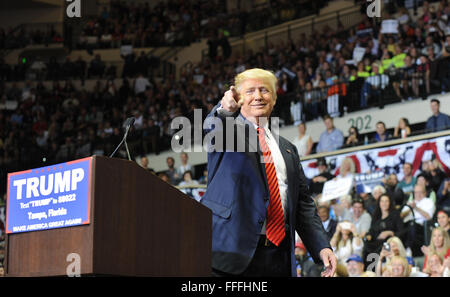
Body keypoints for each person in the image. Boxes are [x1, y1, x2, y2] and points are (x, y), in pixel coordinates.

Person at [202, 68, 336, 277]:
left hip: (278, 257)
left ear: (273, 99)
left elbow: (303, 204)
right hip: (230, 256)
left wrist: (322, 246)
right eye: (250, 91)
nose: (257, 96)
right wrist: (223, 111)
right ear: (237, 98)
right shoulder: (227, 133)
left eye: (264, 90)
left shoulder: (288, 149)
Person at [401, 184, 436, 257]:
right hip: (407, 225)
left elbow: (429, 217)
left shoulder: (428, 201)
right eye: (416, 192)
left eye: (420, 192)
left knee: (412, 225)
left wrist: (416, 208)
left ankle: (408, 250)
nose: (418, 194)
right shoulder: (410, 202)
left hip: (421, 226)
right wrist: (409, 209)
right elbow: (401, 216)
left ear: (425, 193)